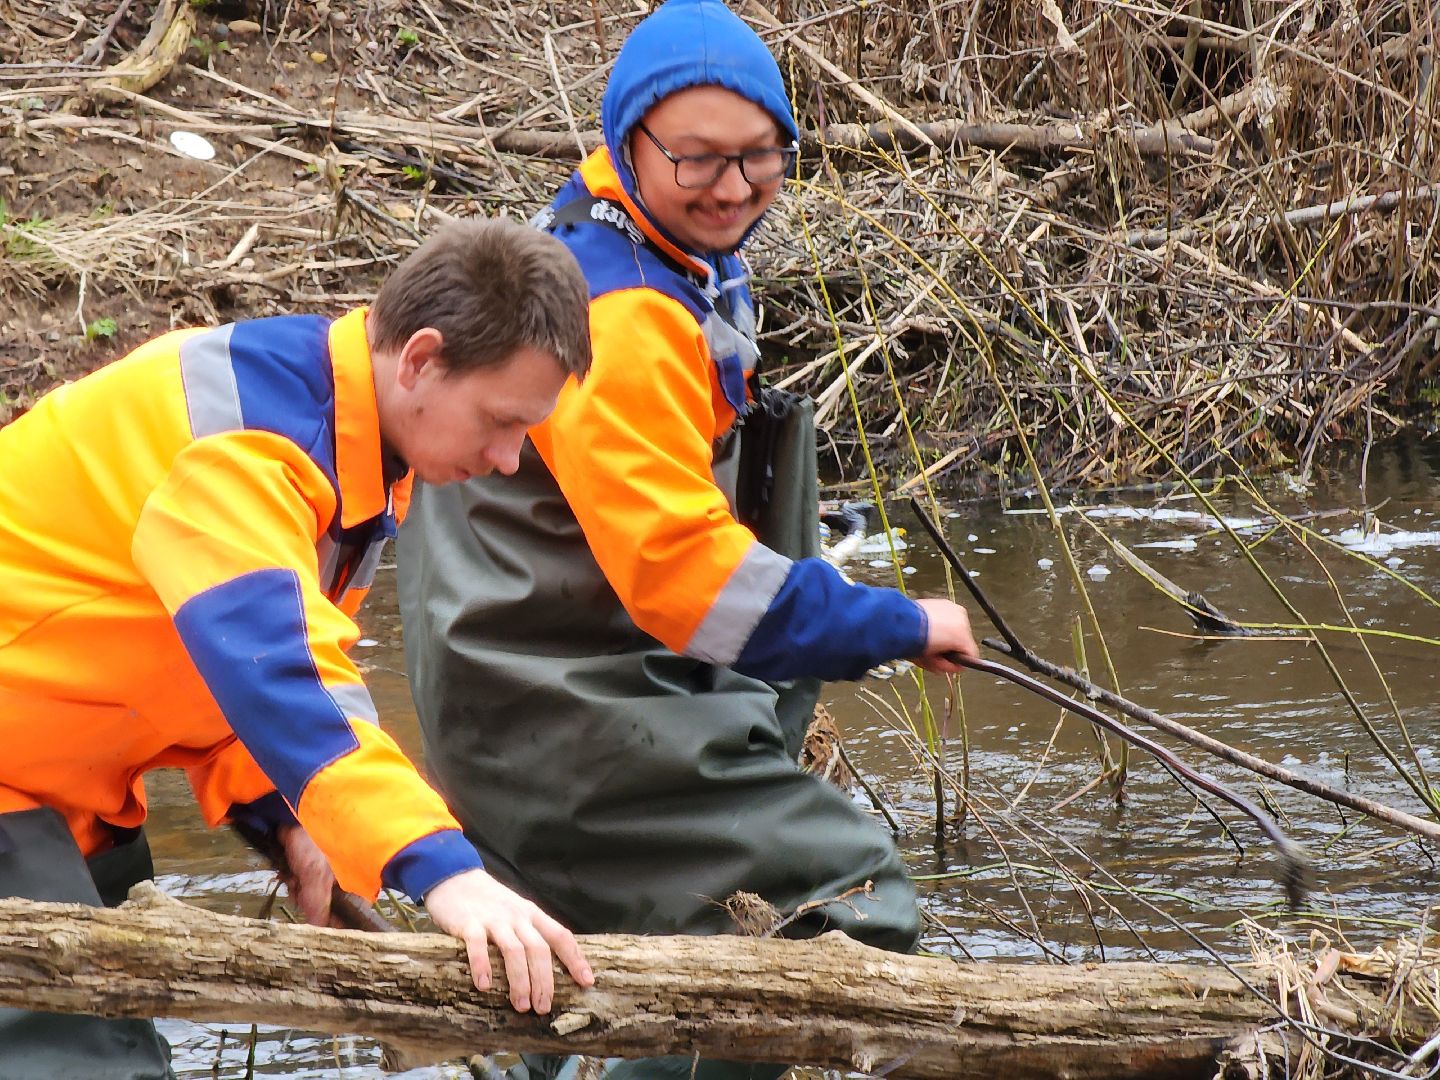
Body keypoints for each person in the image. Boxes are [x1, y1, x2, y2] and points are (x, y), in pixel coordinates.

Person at [398, 2, 980, 1077]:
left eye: (759, 156)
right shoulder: (618, 313)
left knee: (564, 989)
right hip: (559, 713)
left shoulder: (640, 242)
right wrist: (896, 621)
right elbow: (685, 579)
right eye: (697, 159)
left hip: (533, 689)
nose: (731, 186)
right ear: (631, 146)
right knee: (843, 897)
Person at [0, 219, 596, 1080]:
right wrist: (443, 871)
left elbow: (214, 674)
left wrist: (290, 816)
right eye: (503, 423)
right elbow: (280, 666)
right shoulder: (249, 444)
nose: (508, 459)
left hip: (62, 785)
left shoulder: (353, 443)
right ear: (422, 361)